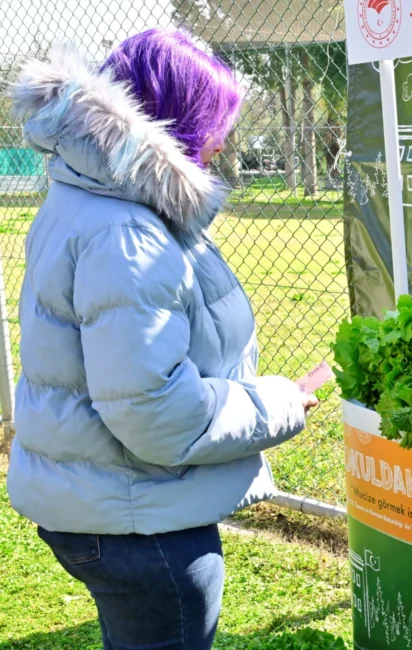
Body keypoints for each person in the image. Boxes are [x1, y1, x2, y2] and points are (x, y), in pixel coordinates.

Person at [6, 30, 316, 650]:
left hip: (100, 500)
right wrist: (281, 402)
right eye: (214, 123)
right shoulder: (130, 234)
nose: (223, 141)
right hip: (136, 521)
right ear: (174, 120)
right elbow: (155, 414)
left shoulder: (84, 197)